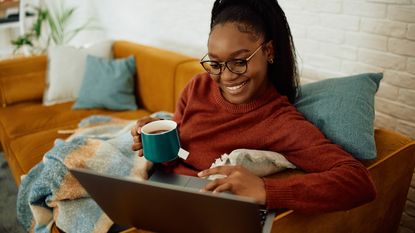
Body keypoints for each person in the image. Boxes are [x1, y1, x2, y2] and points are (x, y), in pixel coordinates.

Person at [131, 0, 376, 214]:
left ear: (268, 51)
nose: (226, 77)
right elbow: (182, 154)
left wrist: (267, 191)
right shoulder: (198, 87)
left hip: (209, 211)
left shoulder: (280, 122)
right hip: (162, 192)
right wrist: (156, 144)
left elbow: (357, 181)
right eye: (215, 64)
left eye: (239, 61)